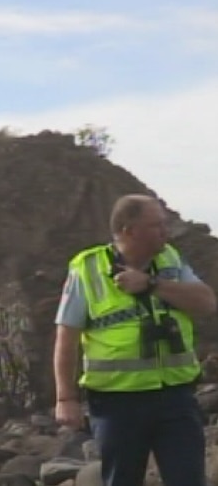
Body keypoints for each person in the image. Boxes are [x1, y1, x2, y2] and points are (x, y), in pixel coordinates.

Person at [53, 193, 216, 486]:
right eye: (156, 225)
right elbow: (67, 335)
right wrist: (66, 398)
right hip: (118, 404)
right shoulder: (88, 269)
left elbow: (206, 303)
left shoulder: (170, 259)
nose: (165, 231)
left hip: (175, 396)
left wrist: (152, 284)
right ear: (130, 230)